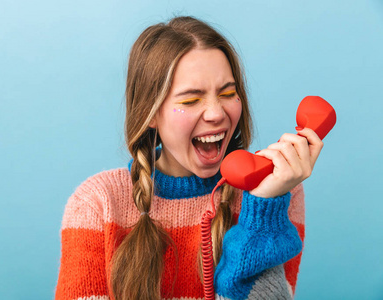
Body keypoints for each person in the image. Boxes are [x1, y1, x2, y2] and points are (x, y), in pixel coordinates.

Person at [55, 16, 323, 300]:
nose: (217, 113)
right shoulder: (97, 204)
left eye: (228, 93)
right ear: (151, 113)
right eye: (191, 100)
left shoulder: (279, 192)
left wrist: (262, 213)